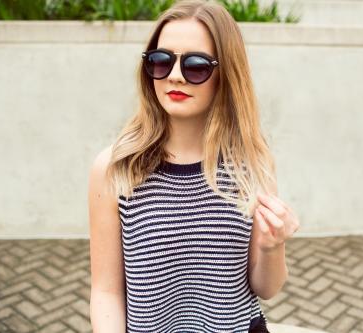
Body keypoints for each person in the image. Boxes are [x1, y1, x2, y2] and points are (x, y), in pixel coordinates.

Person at [87, 0, 300, 332]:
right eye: (160, 61)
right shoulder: (115, 168)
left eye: (196, 66)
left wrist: (273, 246)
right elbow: (105, 292)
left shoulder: (251, 164)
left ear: (226, 74)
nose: (174, 76)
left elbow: (266, 289)